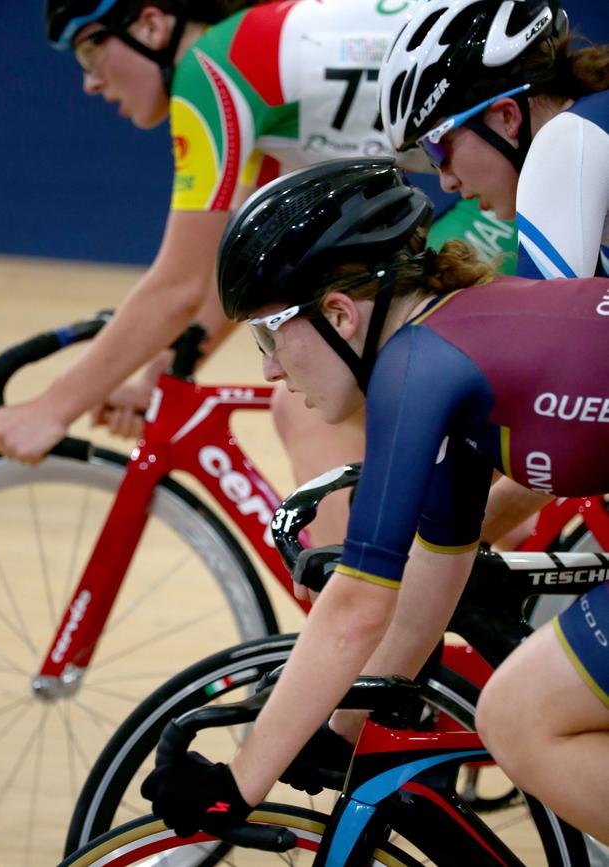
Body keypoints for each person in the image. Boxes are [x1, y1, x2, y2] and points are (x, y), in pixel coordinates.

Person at [140, 157, 609, 844]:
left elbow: (358, 605)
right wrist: (338, 729)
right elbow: (430, 577)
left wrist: (239, 783)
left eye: (271, 335)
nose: (269, 367)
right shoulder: (457, 346)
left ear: (338, 313)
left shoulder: (417, 366)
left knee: (519, 715)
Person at [0, 0, 518, 545]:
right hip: (511, 161)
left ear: (151, 23)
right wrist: (159, 377)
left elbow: (177, 286)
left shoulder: (211, 72)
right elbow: (246, 274)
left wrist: (53, 407)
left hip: (511, 168)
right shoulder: (259, 78)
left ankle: (361, 610)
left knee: (312, 398)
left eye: (89, 49)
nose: (89, 83)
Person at [378, 0, 609, 547]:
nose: (447, 183)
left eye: (438, 147)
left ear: (505, 116)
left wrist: (420, 548)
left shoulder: (567, 142)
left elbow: (547, 396)